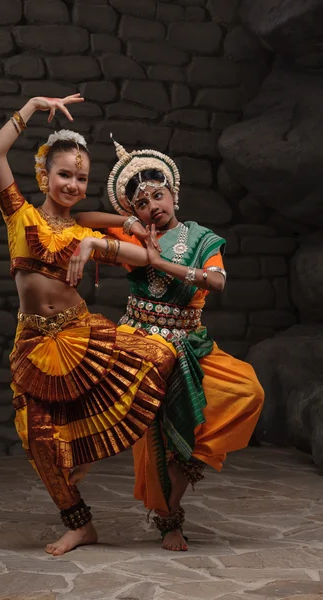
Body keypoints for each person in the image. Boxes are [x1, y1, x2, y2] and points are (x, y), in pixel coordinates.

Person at [0, 96, 178, 556]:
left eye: (81, 178)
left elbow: (149, 255)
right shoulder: (20, 216)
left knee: (160, 355)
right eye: (64, 175)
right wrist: (32, 106)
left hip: (80, 333)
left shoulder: (80, 233)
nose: (73, 184)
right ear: (44, 176)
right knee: (37, 437)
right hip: (33, 342)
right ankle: (80, 525)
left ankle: (90, 460)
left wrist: (97, 240)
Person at [70, 138, 265, 552]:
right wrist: (128, 226)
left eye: (158, 195)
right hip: (139, 343)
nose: (152, 206)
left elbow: (217, 282)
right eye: (141, 203)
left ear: (173, 193)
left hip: (188, 346)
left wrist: (160, 263)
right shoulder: (137, 239)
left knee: (245, 393)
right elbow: (79, 217)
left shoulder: (201, 237)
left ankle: (178, 488)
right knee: (150, 434)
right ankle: (166, 521)